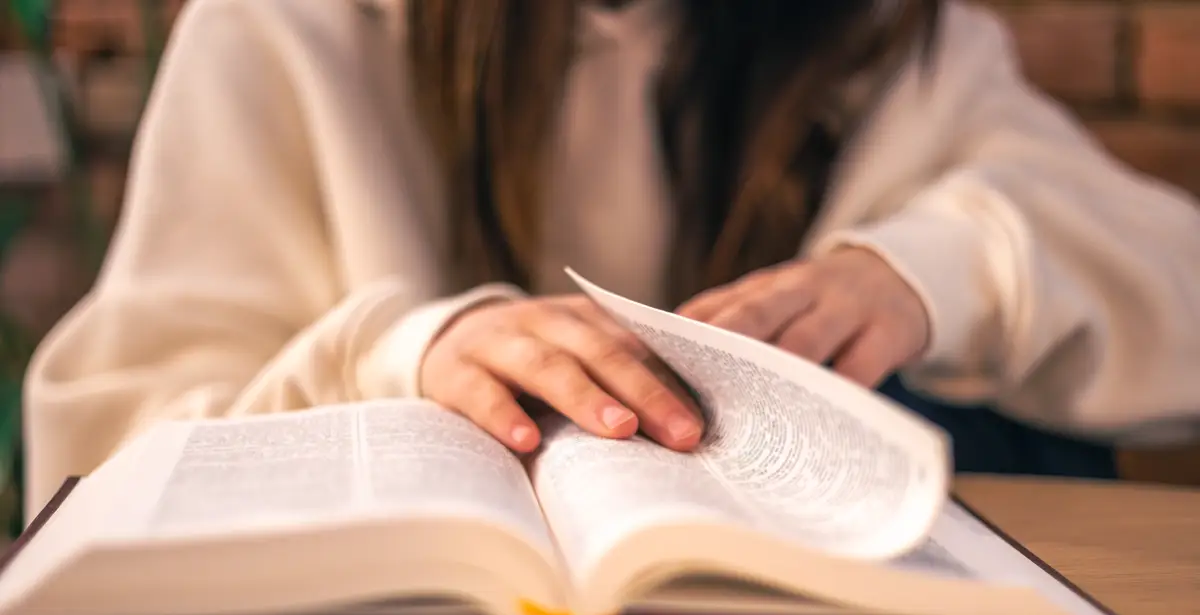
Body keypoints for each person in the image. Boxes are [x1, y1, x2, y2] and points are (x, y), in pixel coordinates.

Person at [21, 0, 1200, 518]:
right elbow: (106, 452)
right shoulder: (283, 31)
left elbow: (1170, 285)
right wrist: (403, 352)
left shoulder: (880, 44)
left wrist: (928, 270)